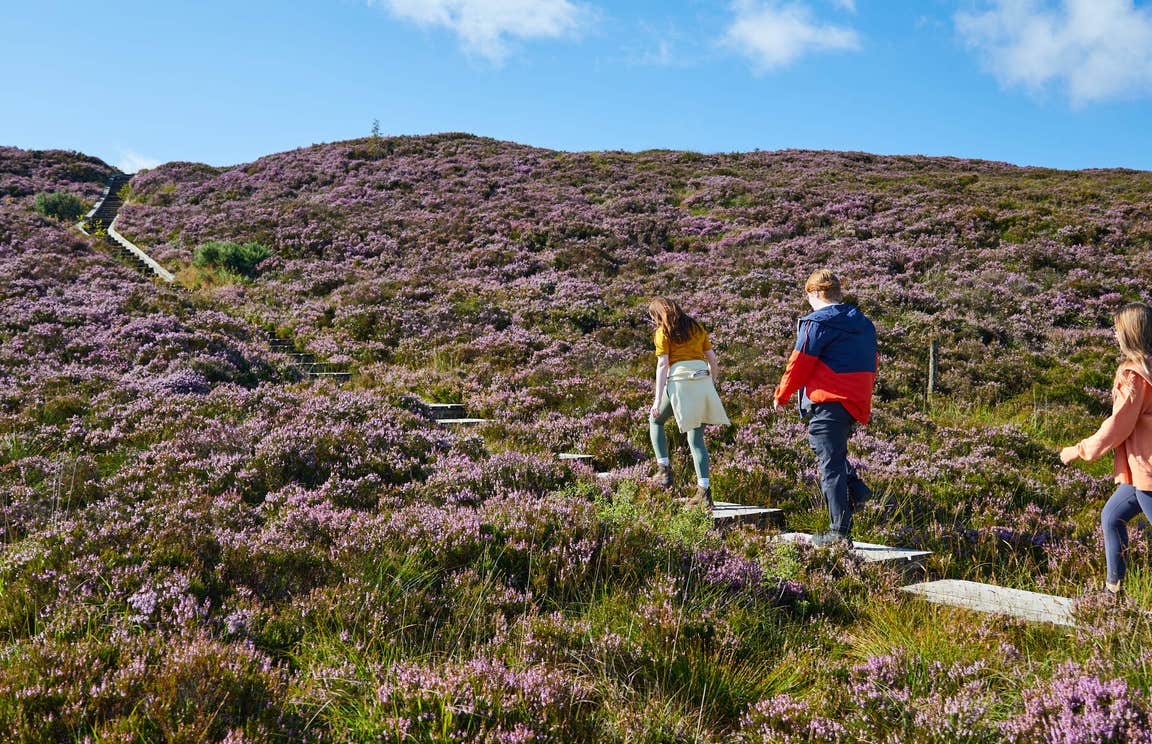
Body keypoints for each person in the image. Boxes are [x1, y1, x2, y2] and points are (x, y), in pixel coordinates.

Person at [773, 270, 877, 547]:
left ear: (816, 293)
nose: (807, 301)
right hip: (853, 400)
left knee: (829, 464)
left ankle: (838, 533)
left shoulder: (817, 322)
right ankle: (856, 488)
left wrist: (782, 394)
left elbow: (800, 361)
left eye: (808, 295)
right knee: (831, 452)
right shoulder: (863, 322)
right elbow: (870, 360)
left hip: (827, 400)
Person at [1060, 302, 1152, 599]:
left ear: (1129, 333)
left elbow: (1117, 427)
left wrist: (1078, 450)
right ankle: (1113, 594)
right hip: (1139, 472)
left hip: (1148, 470)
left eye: (1116, 329)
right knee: (1112, 516)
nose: (1114, 334)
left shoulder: (1135, 376)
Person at [647, 298, 730, 511]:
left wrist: (657, 399)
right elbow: (712, 358)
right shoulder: (696, 327)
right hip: (702, 379)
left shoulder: (662, 332)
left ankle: (664, 470)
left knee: (656, 420)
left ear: (658, 315)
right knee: (697, 440)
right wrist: (710, 383)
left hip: (680, 380)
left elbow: (663, 364)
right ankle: (704, 492)